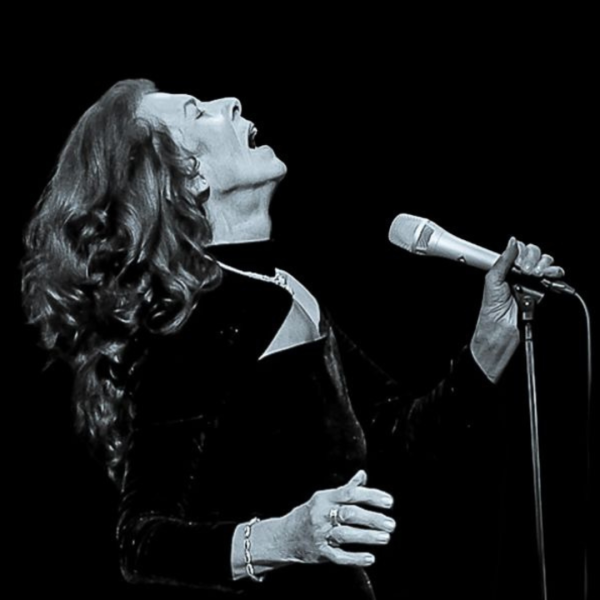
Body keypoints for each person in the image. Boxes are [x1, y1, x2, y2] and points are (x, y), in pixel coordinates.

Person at [20, 79, 564, 598]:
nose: (231, 101)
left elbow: (394, 442)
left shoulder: (275, 290)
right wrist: (286, 539)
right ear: (186, 179)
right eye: (196, 110)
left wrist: (490, 342)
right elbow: (142, 543)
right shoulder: (193, 323)